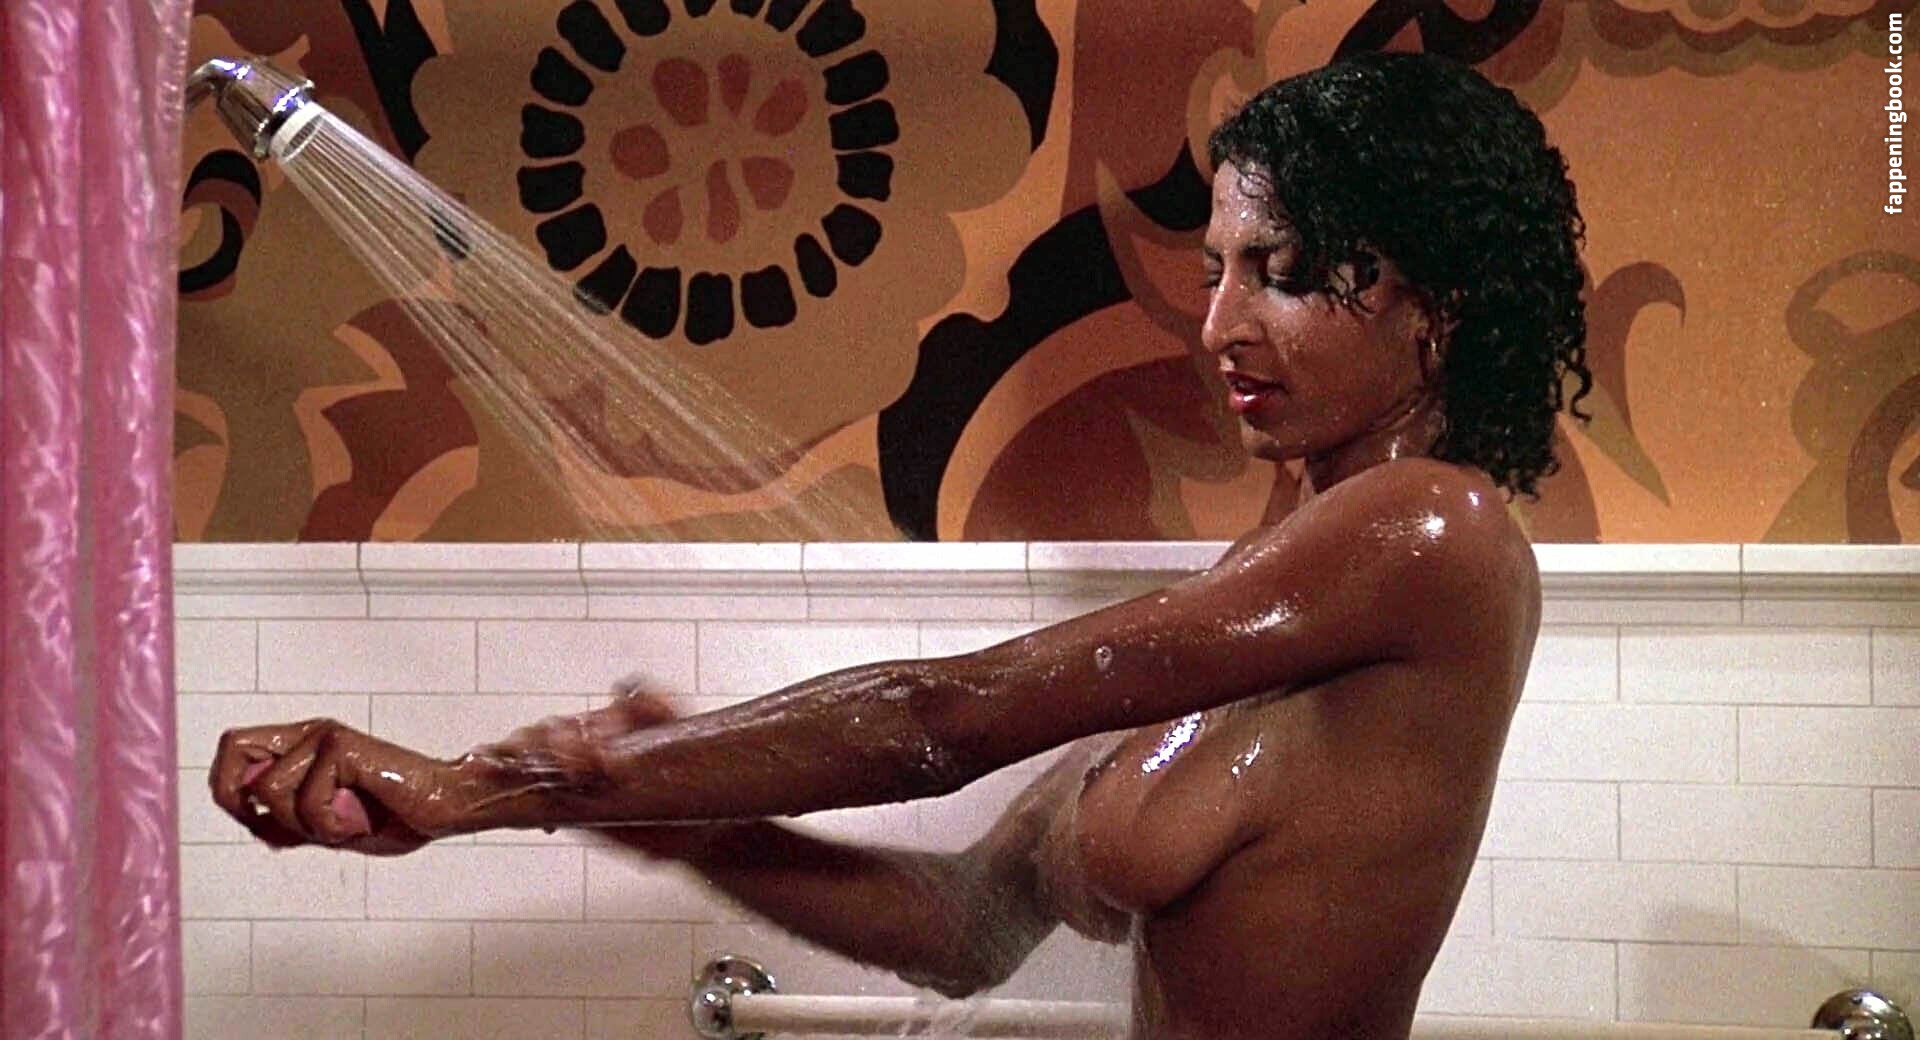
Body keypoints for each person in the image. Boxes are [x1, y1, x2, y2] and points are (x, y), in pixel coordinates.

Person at [209, 50, 1589, 1040]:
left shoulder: (1433, 535)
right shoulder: (1260, 598)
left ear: (1441, 304)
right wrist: (687, 827)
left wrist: (486, 787)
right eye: (1215, 270)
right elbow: (965, 924)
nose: (1221, 324)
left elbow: (943, 719)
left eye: (1280, 274)